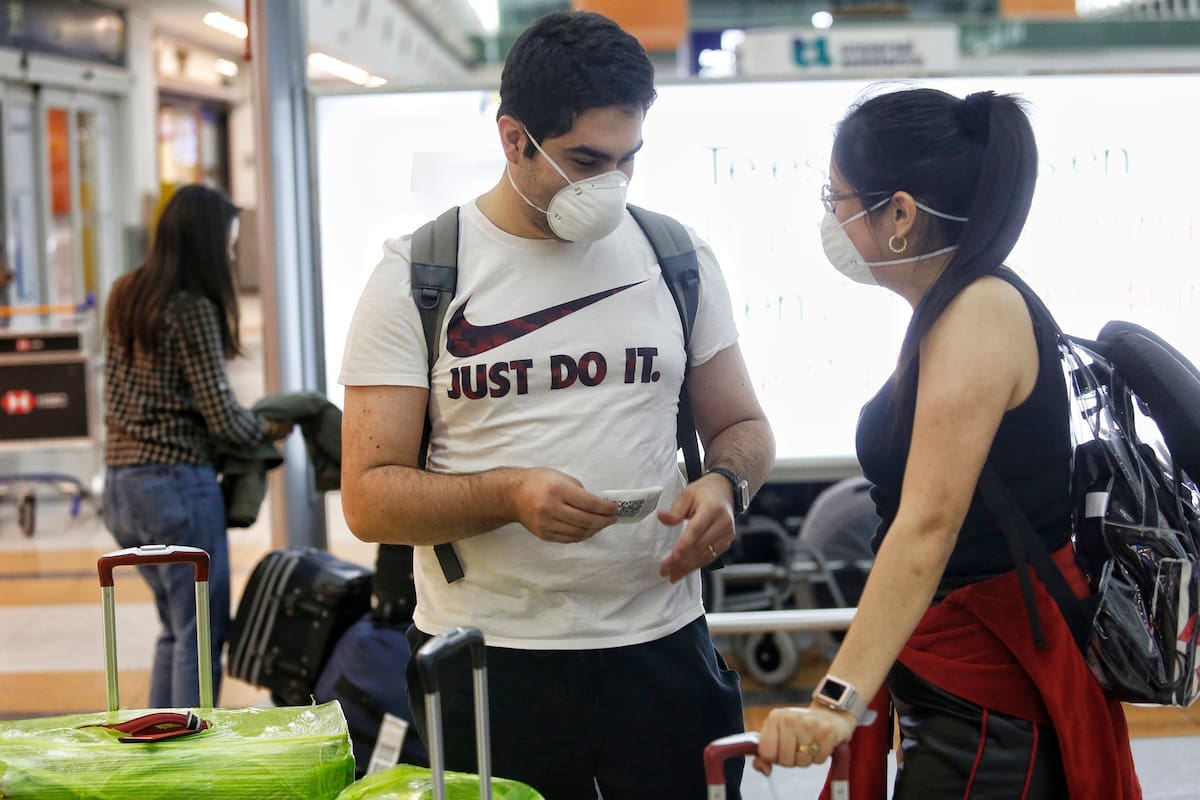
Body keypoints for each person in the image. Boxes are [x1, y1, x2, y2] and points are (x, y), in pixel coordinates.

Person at [339, 10, 774, 799]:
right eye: (584, 159)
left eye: (627, 159)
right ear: (513, 140)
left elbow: (742, 427)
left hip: (661, 647)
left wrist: (725, 486)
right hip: (487, 662)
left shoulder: (675, 257)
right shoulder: (419, 275)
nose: (609, 183)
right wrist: (506, 494)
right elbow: (370, 500)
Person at [754, 88, 1141, 799]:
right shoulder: (955, 308)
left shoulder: (979, 310)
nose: (829, 217)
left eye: (834, 196)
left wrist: (835, 701)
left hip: (993, 693)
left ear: (898, 214)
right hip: (967, 680)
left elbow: (928, 527)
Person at [101, 184, 292, 709]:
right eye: (228, 246)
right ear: (206, 243)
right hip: (175, 486)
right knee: (202, 633)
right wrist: (268, 430)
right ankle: (192, 758)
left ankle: (161, 753)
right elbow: (222, 415)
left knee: (175, 628)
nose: (231, 257)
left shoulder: (126, 292)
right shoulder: (190, 308)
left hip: (121, 488)